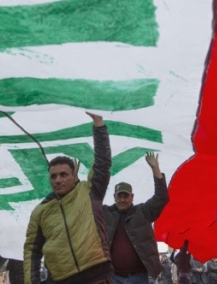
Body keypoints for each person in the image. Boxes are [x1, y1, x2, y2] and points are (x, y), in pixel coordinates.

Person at [23, 112, 113, 284]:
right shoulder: (40, 211)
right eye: (53, 176)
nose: (58, 180)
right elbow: (31, 252)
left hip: (97, 276)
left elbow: (102, 162)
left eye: (63, 174)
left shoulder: (89, 192)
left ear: (74, 175)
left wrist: (98, 123)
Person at [104, 151, 169, 284]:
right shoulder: (105, 214)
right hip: (113, 277)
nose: (122, 200)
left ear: (132, 197)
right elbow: (87, 202)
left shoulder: (143, 212)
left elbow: (161, 198)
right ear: (114, 197)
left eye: (126, 196)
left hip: (139, 277)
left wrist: (155, 169)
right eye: (119, 196)